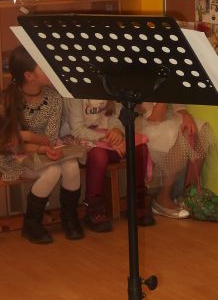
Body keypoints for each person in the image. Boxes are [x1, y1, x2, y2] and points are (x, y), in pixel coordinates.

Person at [0, 46, 84, 243]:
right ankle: (31, 224)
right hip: (13, 156)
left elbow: (50, 138)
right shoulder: (6, 101)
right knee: (53, 171)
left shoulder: (53, 98)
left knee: (71, 165)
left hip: (43, 150)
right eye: (43, 65)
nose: (51, 68)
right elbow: (8, 145)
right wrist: (34, 144)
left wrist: (26, 135)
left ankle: (69, 218)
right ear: (29, 76)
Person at [64, 98, 154, 232]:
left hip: (106, 136)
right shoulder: (74, 95)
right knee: (99, 156)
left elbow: (115, 118)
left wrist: (116, 131)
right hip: (82, 138)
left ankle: (137, 204)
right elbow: (77, 129)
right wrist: (106, 139)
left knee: (139, 148)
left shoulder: (108, 88)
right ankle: (94, 211)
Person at [135, 103, 214, 219]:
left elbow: (178, 106)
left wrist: (186, 116)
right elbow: (156, 117)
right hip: (148, 125)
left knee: (199, 128)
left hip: (169, 118)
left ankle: (189, 193)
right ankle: (163, 197)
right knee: (180, 133)